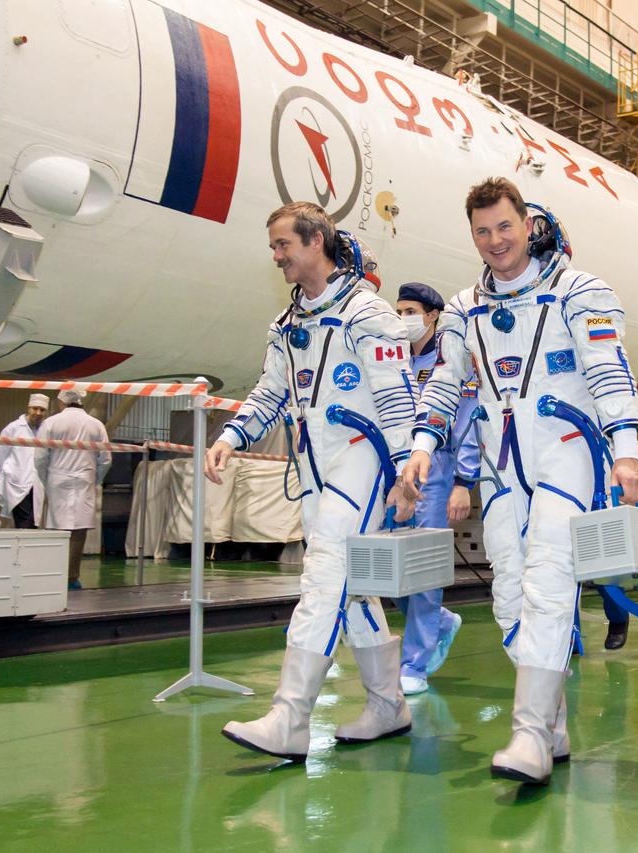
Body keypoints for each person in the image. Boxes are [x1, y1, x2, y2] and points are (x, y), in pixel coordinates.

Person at [400, 177, 638, 785]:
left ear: (528, 224)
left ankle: (529, 734)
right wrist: (423, 445)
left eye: (504, 226)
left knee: (548, 583)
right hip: (503, 468)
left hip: (568, 456)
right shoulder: (462, 310)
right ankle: (552, 724)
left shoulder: (578, 291)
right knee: (510, 599)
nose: (494, 240)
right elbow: (443, 383)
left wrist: (626, 451)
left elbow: (610, 374)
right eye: (482, 231)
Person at [212, 202, 416, 761]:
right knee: (350, 594)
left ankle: (290, 717)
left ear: (317, 241)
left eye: (284, 245)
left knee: (325, 575)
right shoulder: (288, 324)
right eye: (274, 247)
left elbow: (399, 401)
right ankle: (387, 705)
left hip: (362, 462)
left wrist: (405, 471)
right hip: (314, 468)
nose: (276, 256)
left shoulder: (368, 315)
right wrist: (231, 437)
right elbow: (271, 392)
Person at [392, 281, 475, 695]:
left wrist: (463, 480)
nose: (403, 318)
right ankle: (441, 621)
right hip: (394, 472)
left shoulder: (451, 361)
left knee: (422, 570)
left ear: (432, 316)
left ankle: (414, 664)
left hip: (438, 469)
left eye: (410, 311)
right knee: (390, 568)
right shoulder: (391, 360)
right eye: (399, 310)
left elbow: (467, 422)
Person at [35, 389, 112, 590]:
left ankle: (54, 575)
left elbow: (40, 457)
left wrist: (46, 479)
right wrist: (94, 480)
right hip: (85, 478)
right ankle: (71, 578)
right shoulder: (96, 425)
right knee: (78, 530)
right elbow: (105, 459)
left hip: (57, 478)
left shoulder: (51, 423)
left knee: (56, 528)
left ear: (61, 403)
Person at [0, 393, 48, 528]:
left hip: (36, 483)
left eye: (42, 410)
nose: (38, 413)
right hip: (16, 483)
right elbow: (0, 457)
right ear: (28, 408)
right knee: (24, 523)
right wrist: (9, 475)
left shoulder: (45, 429)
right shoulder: (13, 428)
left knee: (33, 522)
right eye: (35, 408)